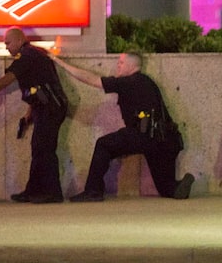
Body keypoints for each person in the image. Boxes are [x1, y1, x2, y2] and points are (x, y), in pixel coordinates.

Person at [52, 51, 195, 202]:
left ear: (132, 66)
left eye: (121, 63)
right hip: (165, 140)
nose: (117, 66)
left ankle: (93, 191)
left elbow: (91, 80)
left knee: (103, 145)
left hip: (143, 136)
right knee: (167, 188)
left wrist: (59, 62)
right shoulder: (147, 81)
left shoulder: (127, 82)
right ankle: (179, 185)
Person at [0, 27, 68, 204]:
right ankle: (32, 191)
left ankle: (53, 193)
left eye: (8, 43)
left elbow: (5, 80)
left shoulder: (26, 56)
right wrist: (30, 113)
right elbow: (37, 85)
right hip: (46, 106)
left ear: (19, 40)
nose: (6, 47)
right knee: (39, 148)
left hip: (50, 107)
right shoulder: (33, 54)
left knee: (45, 150)